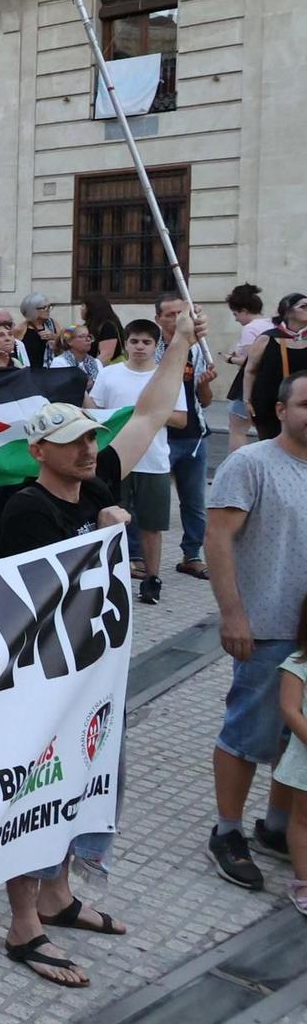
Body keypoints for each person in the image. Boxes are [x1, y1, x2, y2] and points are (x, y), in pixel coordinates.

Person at [0, 304, 201, 987]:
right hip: (33, 685)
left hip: (86, 680)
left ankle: (61, 894)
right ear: (41, 451)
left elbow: (146, 416)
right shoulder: (27, 510)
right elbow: (35, 599)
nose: (87, 446)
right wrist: (97, 537)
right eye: (74, 440)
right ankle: (24, 925)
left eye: (88, 437)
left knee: (80, 781)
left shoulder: (94, 479)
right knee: (36, 792)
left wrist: (181, 344)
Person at [205, 371, 307, 891]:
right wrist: (233, 614)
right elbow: (217, 539)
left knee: (296, 737)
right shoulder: (251, 463)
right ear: (282, 410)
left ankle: (278, 826)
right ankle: (227, 831)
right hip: (266, 626)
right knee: (250, 733)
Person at [89, 318, 187, 606]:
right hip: (115, 459)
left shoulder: (165, 378)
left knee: (151, 525)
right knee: (108, 521)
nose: (140, 347)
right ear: (126, 343)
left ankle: (152, 579)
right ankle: (106, 577)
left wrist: (148, 412)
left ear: (156, 347)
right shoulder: (109, 375)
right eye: (134, 341)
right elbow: (94, 410)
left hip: (153, 461)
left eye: (146, 342)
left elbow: (181, 419)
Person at [157, 295, 215, 581]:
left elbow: (205, 401)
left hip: (195, 437)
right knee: (151, 499)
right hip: (162, 436)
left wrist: (205, 386)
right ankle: (139, 556)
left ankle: (191, 555)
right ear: (159, 319)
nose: (178, 318)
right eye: (171, 314)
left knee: (194, 503)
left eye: (182, 313)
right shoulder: (154, 350)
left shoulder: (199, 350)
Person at [272, 598, 307, 915]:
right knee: (302, 818)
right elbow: (289, 709)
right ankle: (303, 881)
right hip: (306, 760)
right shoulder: (297, 665)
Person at [245, 292, 307, 444]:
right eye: (304, 306)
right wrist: (247, 401)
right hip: (269, 405)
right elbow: (250, 371)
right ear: (287, 311)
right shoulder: (267, 338)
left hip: (303, 405)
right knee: (272, 447)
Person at [223, 283, 272, 453]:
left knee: (237, 428)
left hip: (250, 383)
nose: (236, 319)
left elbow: (249, 361)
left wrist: (230, 359)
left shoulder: (250, 329)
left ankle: (236, 464)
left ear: (244, 310)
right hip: (272, 381)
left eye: (236, 314)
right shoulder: (272, 323)